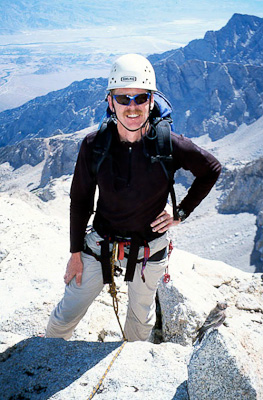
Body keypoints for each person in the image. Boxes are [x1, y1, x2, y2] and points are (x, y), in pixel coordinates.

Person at [46, 53, 221, 342]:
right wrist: (76, 254)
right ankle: (41, 357)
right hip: (101, 240)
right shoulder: (94, 145)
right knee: (66, 313)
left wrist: (181, 213)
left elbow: (211, 169)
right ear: (110, 101)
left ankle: (131, 367)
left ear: (151, 101)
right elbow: (80, 201)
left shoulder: (169, 144)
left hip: (148, 245)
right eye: (123, 98)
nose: (132, 107)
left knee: (140, 321)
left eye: (140, 98)